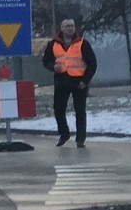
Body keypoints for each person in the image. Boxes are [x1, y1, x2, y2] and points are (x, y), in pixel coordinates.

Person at [41, 18, 97, 148]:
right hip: (61, 80)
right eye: (67, 26)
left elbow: (92, 63)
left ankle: (80, 139)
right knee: (58, 110)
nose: (70, 28)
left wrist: (85, 80)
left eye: (72, 26)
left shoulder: (82, 43)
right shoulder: (53, 44)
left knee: (80, 111)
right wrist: (52, 67)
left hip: (79, 81)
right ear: (61, 28)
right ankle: (64, 134)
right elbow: (46, 61)